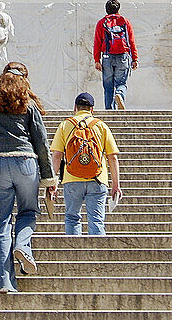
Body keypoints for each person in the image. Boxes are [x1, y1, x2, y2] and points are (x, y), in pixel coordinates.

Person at [0, 65, 56, 294]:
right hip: (26, 162)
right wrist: (48, 178)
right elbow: (41, 141)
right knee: (28, 211)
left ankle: (3, 282)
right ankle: (22, 245)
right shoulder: (28, 102)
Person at [50, 92, 121, 235]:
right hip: (97, 179)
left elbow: (56, 156)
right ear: (92, 109)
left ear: (75, 107)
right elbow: (112, 157)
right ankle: (98, 255)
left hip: (71, 179)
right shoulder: (101, 126)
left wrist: (53, 182)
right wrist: (116, 185)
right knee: (96, 220)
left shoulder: (65, 125)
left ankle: (73, 254)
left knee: (72, 217)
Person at [93, 0, 138, 110]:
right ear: (118, 9)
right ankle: (120, 94)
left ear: (106, 10)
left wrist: (97, 60)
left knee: (108, 86)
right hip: (123, 56)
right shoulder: (125, 22)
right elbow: (131, 41)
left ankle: (109, 110)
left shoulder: (102, 23)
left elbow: (97, 42)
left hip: (107, 57)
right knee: (121, 82)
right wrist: (135, 59)